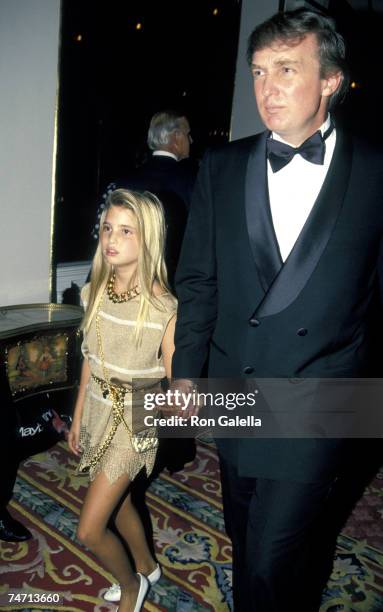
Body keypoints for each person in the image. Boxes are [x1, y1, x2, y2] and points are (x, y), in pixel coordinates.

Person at [172, 8, 383, 612]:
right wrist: (187, 372)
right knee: (242, 530)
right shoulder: (221, 165)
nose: (266, 89)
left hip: (324, 392)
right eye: (259, 71)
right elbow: (199, 280)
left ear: (331, 80)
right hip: (235, 385)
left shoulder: (375, 174)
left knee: (272, 555)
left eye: (287, 70)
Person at [68, 189, 177, 612]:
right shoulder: (94, 290)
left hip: (135, 420)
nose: (111, 239)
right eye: (107, 228)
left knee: (89, 530)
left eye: (126, 231)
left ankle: (132, 586)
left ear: (147, 239)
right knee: (124, 500)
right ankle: (149, 566)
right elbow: (89, 362)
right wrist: (77, 417)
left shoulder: (164, 308)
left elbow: (176, 382)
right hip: (96, 409)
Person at [92, 110, 197, 290]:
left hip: (116, 284)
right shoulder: (196, 183)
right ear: (177, 137)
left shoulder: (120, 182)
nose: (191, 141)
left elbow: (98, 234)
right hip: (169, 287)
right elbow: (199, 246)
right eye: (188, 134)